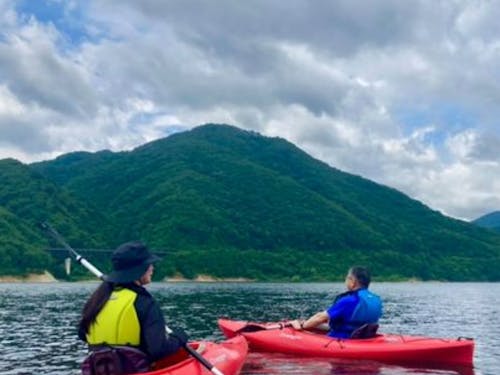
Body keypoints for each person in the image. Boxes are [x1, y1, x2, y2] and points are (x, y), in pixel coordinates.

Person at [78, 241, 188, 375]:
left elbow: (83, 335)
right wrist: (180, 337)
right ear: (139, 270)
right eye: (149, 264)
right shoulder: (144, 302)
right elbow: (158, 350)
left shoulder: (97, 299)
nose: (152, 268)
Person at [290, 266, 382, 338]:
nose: (345, 281)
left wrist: (302, 326)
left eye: (347, 278)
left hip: (344, 338)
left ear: (353, 282)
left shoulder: (349, 300)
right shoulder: (375, 299)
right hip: (363, 336)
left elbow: (320, 317)